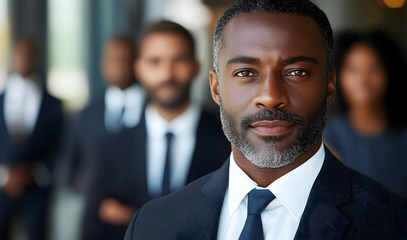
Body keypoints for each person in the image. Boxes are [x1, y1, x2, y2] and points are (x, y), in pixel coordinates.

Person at [123, 1, 407, 239]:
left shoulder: (394, 225)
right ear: (216, 88)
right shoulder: (152, 226)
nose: (270, 97)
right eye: (246, 72)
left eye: (296, 72)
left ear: (329, 85)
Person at [81, 20, 231, 240]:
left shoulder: (227, 140)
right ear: (139, 69)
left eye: (178, 60)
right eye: (155, 61)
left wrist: (130, 216)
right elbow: (92, 229)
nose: (167, 74)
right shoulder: (111, 146)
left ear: (196, 67)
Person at [0, 37, 63, 240]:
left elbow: (60, 145)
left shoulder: (53, 104)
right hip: (1, 188)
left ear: (36, 58)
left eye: (29, 54)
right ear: (12, 57)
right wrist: (1, 173)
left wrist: (38, 171)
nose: (24, 59)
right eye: (19, 54)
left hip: (37, 188)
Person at [324, 30, 407, 198]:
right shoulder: (326, 137)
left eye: (373, 69)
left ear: (390, 72)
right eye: (353, 69)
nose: (363, 79)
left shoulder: (403, 138)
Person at [62, 36, 145, 194]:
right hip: (94, 207)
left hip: (143, 209)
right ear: (102, 65)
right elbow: (68, 161)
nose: (119, 66)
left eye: (125, 59)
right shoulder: (87, 114)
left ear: (138, 64)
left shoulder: (155, 109)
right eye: (113, 60)